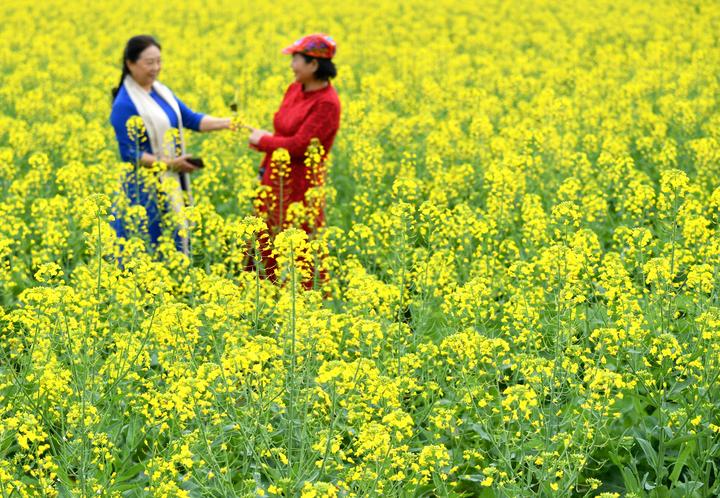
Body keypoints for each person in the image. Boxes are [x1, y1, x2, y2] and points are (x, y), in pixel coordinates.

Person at [109, 34, 234, 255]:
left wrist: (228, 123)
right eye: (149, 62)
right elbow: (130, 154)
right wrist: (170, 164)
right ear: (130, 64)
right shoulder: (124, 104)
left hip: (170, 178)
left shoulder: (161, 92)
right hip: (144, 188)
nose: (156, 67)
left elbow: (191, 119)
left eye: (159, 61)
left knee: (173, 241)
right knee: (150, 245)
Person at [247, 33, 341, 283]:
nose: (291, 65)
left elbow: (300, 146)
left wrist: (264, 141)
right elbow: (284, 132)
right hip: (274, 177)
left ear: (313, 64)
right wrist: (265, 155)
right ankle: (259, 302)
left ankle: (302, 307)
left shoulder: (327, 103)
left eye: (296, 59)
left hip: (301, 185)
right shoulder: (294, 89)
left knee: (297, 244)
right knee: (263, 242)